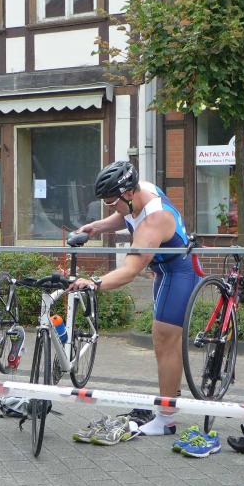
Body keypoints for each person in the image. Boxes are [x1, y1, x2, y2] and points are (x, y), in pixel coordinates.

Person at [69, 161, 198, 436]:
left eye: (111, 201)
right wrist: (96, 227)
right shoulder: (139, 193)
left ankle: (166, 419)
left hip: (178, 273)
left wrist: (94, 283)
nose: (109, 207)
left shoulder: (154, 220)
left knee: (164, 339)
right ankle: (171, 395)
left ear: (128, 193)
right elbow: (124, 216)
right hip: (162, 270)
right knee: (165, 342)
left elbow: (129, 271)